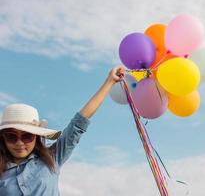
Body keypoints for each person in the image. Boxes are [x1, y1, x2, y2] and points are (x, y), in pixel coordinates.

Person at [0, 66, 125, 195]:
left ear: (36, 136)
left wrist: (110, 81)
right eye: (11, 137)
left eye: (27, 136)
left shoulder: (52, 157)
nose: (19, 143)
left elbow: (79, 123)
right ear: (3, 138)